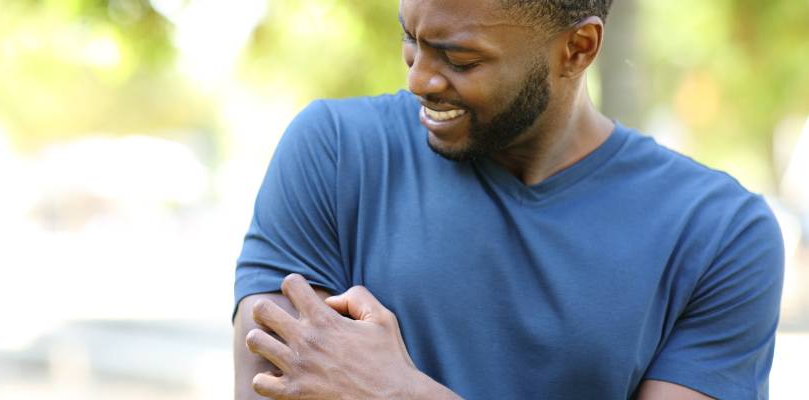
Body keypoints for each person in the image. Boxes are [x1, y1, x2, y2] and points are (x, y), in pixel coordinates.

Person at [232, 0, 784, 398]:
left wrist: (400, 394)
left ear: (577, 48)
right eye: (410, 38)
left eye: (460, 60)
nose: (420, 79)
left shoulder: (720, 233)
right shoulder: (334, 154)